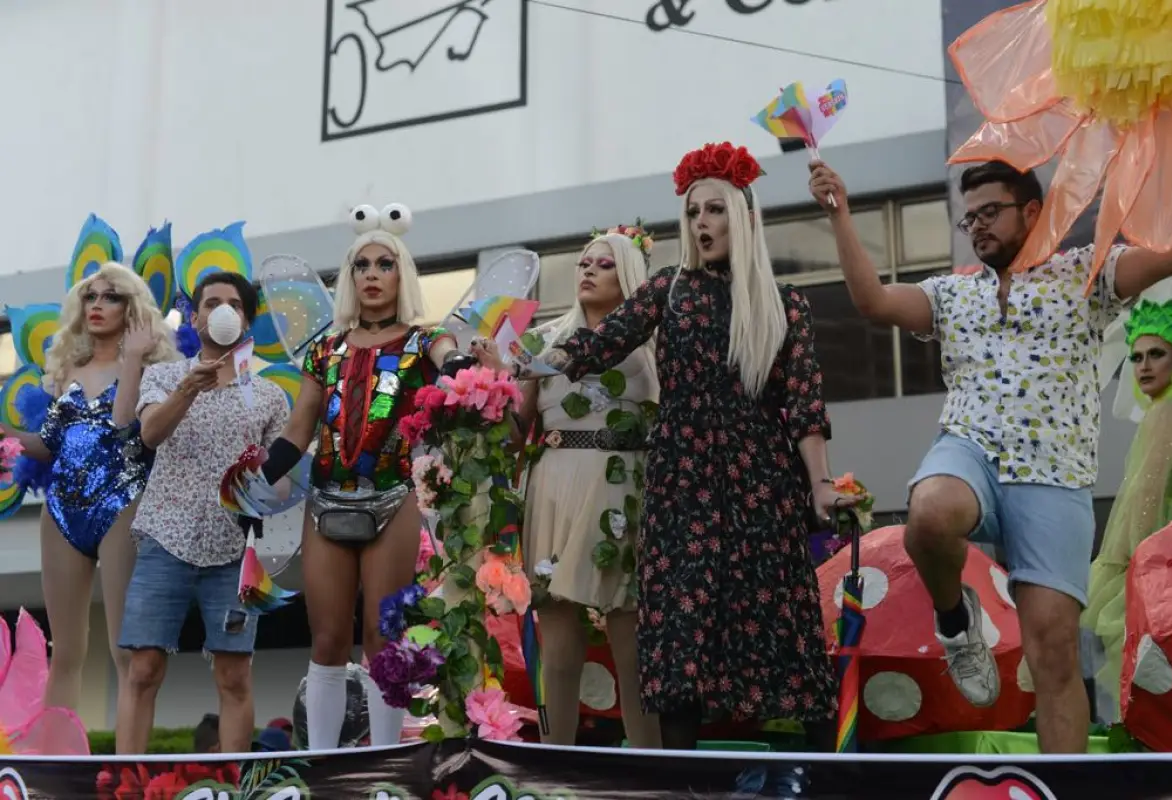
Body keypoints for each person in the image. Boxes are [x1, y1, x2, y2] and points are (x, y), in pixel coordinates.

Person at [809, 157, 1172, 752]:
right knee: (931, 513)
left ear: (1033, 212)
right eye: (969, 220)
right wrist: (839, 214)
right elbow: (873, 302)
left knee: (1055, 658)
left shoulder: (1088, 274)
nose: (979, 226)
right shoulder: (952, 294)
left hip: (1055, 477)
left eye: (990, 212)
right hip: (971, 453)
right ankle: (955, 621)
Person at [532, 143, 845, 751]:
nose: (701, 223)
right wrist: (523, 365)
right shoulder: (667, 291)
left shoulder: (786, 306)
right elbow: (598, 344)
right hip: (681, 478)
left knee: (779, 620)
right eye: (694, 212)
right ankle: (679, 778)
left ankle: (820, 774)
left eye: (715, 211)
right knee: (680, 628)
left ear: (745, 218)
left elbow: (806, 408)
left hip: (761, 478)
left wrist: (821, 485)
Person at [254, 204, 473, 751]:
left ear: (403, 274)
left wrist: (454, 369)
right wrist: (252, 479)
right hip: (325, 501)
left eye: (385, 264)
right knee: (327, 638)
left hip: (394, 498)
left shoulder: (425, 341)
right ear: (350, 277)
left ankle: (383, 764)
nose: (372, 275)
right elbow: (298, 428)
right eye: (362, 266)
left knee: (382, 638)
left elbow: (451, 356)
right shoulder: (325, 349)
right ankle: (323, 766)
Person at [471, 225, 662, 748]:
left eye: (603, 264)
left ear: (629, 275)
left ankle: (651, 766)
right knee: (555, 640)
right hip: (551, 480)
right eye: (583, 262)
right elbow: (515, 434)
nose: (587, 270)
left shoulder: (654, 343)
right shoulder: (542, 340)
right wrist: (493, 386)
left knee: (630, 634)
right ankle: (556, 765)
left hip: (623, 485)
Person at [115, 270, 291, 754]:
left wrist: (263, 490)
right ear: (195, 316)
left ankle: (231, 786)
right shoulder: (166, 375)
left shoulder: (270, 395)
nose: (222, 310)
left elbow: (281, 482)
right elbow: (149, 435)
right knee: (143, 667)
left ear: (246, 321)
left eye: (233, 303)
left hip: (235, 552)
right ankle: (125, 785)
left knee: (234, 675)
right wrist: (189, 389)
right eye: (211, 302)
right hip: (163, 540)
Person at [0, 264, 179, 712]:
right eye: (91, 296)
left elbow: (126, 428)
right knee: (65, 651)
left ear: (132, 308)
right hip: (60, 511)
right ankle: (60, 767)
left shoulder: (151, 369)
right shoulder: (66, 369)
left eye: (111, 297)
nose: (97, 305)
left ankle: (122, 769)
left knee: (125, 650)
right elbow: (46, 445)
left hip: (123, 504)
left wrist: (134, 357)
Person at [1082, 299, 1172, 715]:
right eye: (1136, 357)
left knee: (1140, 672)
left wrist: (1139, 570)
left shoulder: (1167, 412)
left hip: (1166, 566)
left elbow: (1145, 501)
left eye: (1157, 354)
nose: (1144, 366)